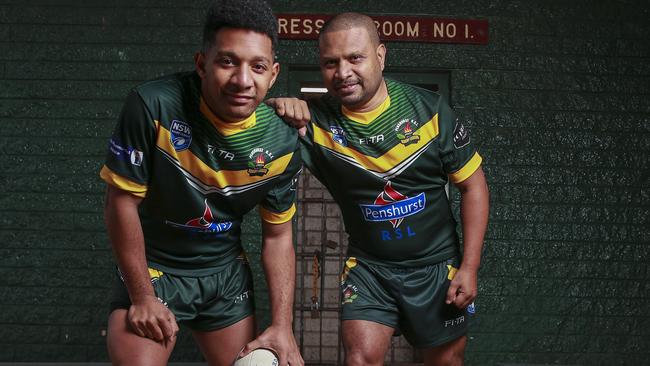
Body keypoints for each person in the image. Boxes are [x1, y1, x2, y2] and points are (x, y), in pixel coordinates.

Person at [268, 12, 489, 366]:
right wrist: (274, 107)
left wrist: (470, 266)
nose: (342, 72)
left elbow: (473, 185)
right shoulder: (312, 122)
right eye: (330, 62)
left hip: (435, 267)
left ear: (380, 56)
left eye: (355, 58)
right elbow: (247, 129)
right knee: (360, 359)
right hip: (369, 268)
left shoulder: (429, 111)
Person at [99, 1, 304, 365]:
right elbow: (120, 202)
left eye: (257, 67)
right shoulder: (153, 105)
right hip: (156, 270)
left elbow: (278, 236)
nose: (243, 80)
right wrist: (142, 296)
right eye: (228, 62)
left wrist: (283, 325)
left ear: (273, 75)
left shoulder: (282, 141)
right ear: (201, 64)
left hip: (224, 276)